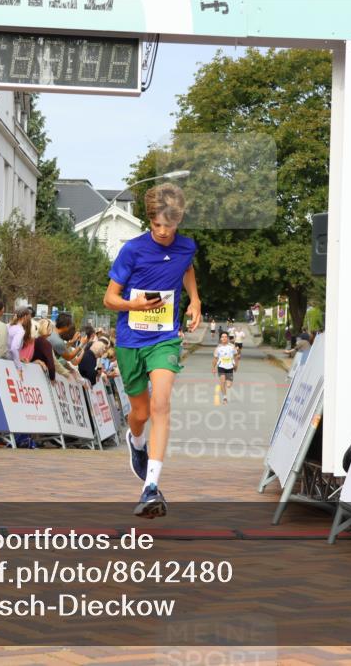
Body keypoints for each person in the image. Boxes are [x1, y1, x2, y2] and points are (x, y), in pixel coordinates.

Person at [102, 182, 201, 519]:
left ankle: (151, 486)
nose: (162, 231)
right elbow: (109, 298)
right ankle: (136, 440)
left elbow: (186, 269)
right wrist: (136, 305)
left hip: (164, 339)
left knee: (161, 402)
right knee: (140, 413)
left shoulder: (187, 247)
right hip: (130, 339)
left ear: (179, 220)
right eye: (156, 224)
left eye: (168, 226)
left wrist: (195, 300)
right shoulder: (133, 250)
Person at [212, 332, 238, 404]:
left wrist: (236, 365)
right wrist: (213, 368)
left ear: (228, 338)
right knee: (222, 381)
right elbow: (215, 359)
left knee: (229, 385)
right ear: (220, 338)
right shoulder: (218, 348)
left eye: (225, 337)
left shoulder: (232, 347)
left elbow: (236, 356)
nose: (224, 338)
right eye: (222, 337)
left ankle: (228, 383)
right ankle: (224, 398)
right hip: (221, 367)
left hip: (230, 367)